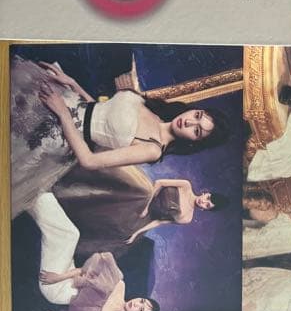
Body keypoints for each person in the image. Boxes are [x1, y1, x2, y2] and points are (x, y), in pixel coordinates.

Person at [10, 55, 231, 217]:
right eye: (197, 115)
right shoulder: (155, 109)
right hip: (65, 100)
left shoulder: (153, 149)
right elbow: (102, 114)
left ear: (194, 142)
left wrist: (62, 114)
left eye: (196, 131)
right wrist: (72, 83)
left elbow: (89, 160)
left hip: (57, 131)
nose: (189, 122)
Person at [39, 243, 159, 311]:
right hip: (65, 276)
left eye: (141, 310)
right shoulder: (120, 285)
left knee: (68, 234)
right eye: (142, 301)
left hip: (59, 291)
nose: (137, 304)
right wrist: (58, 277)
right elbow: (84, 271)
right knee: (71, 234)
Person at [124, 178, 229, 244]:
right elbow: (159, 183)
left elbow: (159, 222)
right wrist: (146, 207)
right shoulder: (186, 185)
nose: (203, 201)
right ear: (206, 193)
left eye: (207, 205)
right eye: (207, 197)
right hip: (144, 196)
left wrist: (137, 233)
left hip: (144, 217)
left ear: (205, 210)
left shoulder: (187, 218)